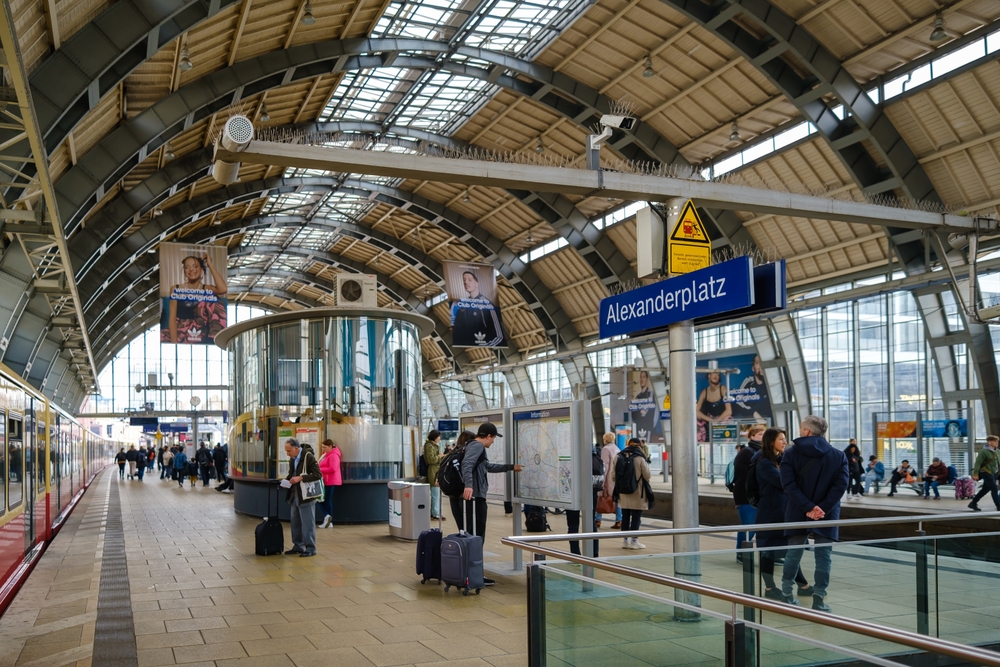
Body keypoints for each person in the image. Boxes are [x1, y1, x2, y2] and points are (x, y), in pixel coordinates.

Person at [779, 415, 848, 612]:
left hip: (797, 510)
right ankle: (819, 598)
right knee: (824, 556)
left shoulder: (790, 454)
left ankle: (786, 594)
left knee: (794, 553)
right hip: (827, 513)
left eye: (801, 429)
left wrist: (808, 506)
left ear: (807, 431)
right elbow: (840, 486)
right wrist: (822, 508)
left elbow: (788, 485)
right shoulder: (838, 455)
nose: (800, 432)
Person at [458, 423, 523, 585]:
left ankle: (472, 573)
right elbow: (466, 464)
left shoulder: (475, 447)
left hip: (476, 496)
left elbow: (487, 467)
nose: (493, 442)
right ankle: (473, 575)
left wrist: (510, 467)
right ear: (488, 436)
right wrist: (469, 485)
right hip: (475, 497)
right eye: (493, 438)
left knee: (475, 536)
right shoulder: (477, 446)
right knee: (476, 537)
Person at [752, 428, 812, 601]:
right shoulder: (764, 462)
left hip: (778, 512)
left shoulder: (775, 460)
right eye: (781, 439)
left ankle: (802, 585)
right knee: (769, 552)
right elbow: (783, 482)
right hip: (770, 514)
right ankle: (772, 587)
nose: (785, 442)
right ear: (772, 442)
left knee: (786, 550)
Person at [161, 252, 228, 344]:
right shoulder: (175, 289)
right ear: (184, 270)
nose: (191, 269)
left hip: (199, 330)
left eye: (195, 266)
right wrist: (174, 343)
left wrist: (210, 265)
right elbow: (172, 318)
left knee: (214, 298)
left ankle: (215, 338)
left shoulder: (206, 289)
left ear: (201, 269)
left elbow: (223, 289)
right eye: (187, 267)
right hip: (180, 328)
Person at [283, 438, 322, 557]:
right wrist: (286, 481)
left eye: (289, 451)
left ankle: (310, 548)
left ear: (296, 448)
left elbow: (318, 475)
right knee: (295, 522)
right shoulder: (292, 458)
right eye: (286, 451)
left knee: (307, 523)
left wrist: (300, 478)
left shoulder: (308, 456)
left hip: (306, 496)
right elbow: (292, 474)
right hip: (294, 494)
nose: (287, 454)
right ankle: (298, 545)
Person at [611, 438, 653, 550]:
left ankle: (625, 541)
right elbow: (647, 475)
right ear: (639, 446)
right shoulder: (639, 458)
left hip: (623, 492)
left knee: (625, 516)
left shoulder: (618, 456)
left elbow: (612, 476)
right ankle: (634, 541)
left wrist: (622, 484)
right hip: (638, 492)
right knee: (636, 517)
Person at [732, 424, 765, 561]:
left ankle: (763, 554)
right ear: (751, 437)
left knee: (756, 526)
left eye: (764, 434)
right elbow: (742, 471)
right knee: (749, 526)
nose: (762, 437)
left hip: (756, 495)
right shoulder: (746, 452)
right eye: (759, 435)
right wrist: (754, 486)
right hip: (745, 496)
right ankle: (742, 553)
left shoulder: (765, 452)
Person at [450, 269, 506, 347]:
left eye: (470, 280)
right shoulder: (464, 305)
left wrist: (486, 345)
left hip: (486, 346)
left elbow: (499, 336)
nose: (466, 282)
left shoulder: (486, 304)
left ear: (477, 284)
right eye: (464, 280)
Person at [566, 443, 603, 558]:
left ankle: (575, 554)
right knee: (591, 524)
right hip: (591, 494)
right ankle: (594, 553)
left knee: (573, 526)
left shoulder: (572, 459)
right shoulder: (596, 458)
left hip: (573, 494)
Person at [446, 430, 476, 529]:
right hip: (464, 492)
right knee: (470, 525)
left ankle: (461, 542)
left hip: (452, 492)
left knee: (461, 525)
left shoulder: (452, 453)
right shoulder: (467, 454)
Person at [968, 435, 1000, 512]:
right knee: (994, 488)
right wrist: (975, 473)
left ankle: (973, 503)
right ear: (989, 442)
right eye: (995, 441)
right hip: (985, 472)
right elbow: (978, 463)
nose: (997, 443)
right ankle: (998, 506)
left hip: (994, 473)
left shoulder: (998, 451)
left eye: (997, 441)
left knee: (985, 489)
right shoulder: (983, 452)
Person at [317, 439, 342, 527]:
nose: (323, 449)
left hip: (330, 480)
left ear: (331, 446)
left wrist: (320, 470)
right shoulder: (325, 455)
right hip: (325, 480)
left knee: (325, 500)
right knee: (322, 499)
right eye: (322, 447)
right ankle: (327, 517)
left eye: (325, 447)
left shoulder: (333, 455)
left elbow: (333, 469)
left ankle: (328, 519)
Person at [599, 432, 621, 529]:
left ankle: (597, 519)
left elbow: (605, 466)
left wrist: (602, 480)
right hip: (617, 478)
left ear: (606, 440)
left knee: (600, 497)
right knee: (618, 500)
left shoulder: (605, 449)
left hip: (608, 478)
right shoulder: (617, 449)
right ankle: (619, 520)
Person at [630, 370, 657, 442]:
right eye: (641, 377)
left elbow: (649, 413)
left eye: (644, 377)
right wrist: (639, 412)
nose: (642, 379)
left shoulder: (651, 395)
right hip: (639, 428)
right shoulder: (638, 397)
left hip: (647, 428)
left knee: (646, 446)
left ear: (647, 379)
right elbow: (633, 414)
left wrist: (640, 412)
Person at [423, 430, 444, 521]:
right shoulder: (429, 446)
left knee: (437, 492)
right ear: (435, 437)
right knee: (435, 492)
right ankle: (435, 513)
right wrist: (440, 456)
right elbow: (431, 460)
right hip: (433, 471)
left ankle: (436, 512)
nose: (439, 438)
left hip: (436, 470)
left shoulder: (433, 446)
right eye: (438, 436)